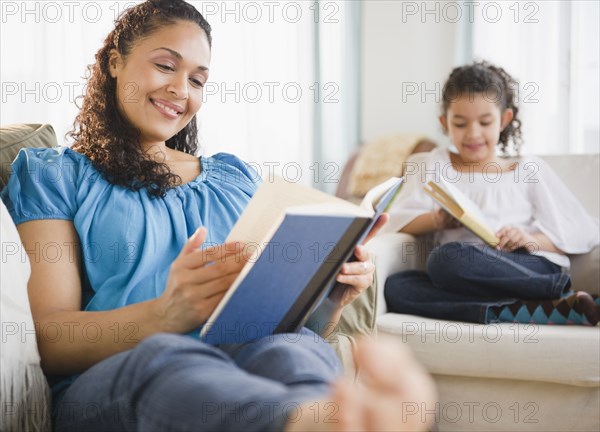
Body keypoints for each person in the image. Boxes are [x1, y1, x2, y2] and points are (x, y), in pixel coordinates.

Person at [1, 1, 436, 431]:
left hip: (245, 364)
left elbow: (281, 320)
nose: (181, 90)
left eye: (197, 79)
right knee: (166, 356)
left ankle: (327, 416)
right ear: (115, 63)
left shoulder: (236, 178)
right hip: (121, 379)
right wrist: (163, 317)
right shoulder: (55, 174)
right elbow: (51, 337)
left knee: (290, 347)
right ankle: (319, 421)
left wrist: (329, 299)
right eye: (166, 66)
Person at [384, 61, 600, 326]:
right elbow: (396, 220)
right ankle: (527, 309)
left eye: (485, 122)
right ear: (445, 123)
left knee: (444, 259)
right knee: (397, 286)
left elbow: (582, 231)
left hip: (525, 266)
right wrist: (438, 220)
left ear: (504, 119)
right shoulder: (433, 163)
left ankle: (552, 288)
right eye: (460, 124)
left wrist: (528, 240)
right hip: (465, 274)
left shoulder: (526, 169)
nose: (473, 134)